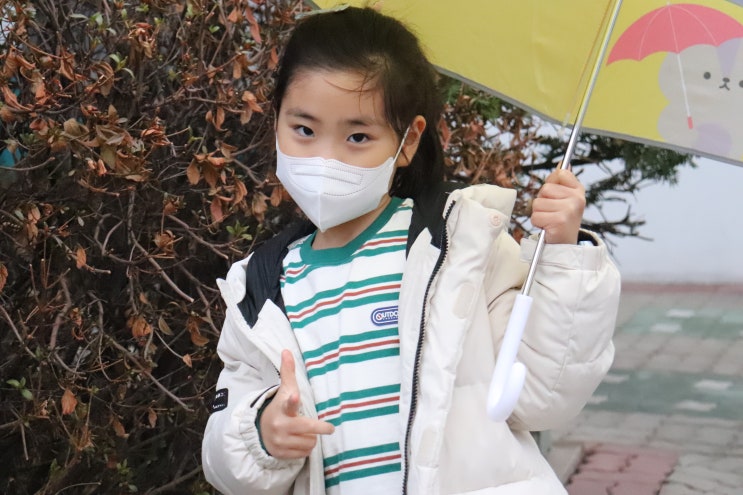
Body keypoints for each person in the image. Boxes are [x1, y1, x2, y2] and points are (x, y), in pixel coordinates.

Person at [202, 6, 620, 495]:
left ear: (407, 140)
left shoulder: (463, 246)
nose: (326, 157)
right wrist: (262, 435)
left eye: (358, 136)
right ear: (276, 120)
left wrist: (564, 254)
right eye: (304, 130)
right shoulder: (261, 289)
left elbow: (543, 396)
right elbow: (226, 452)